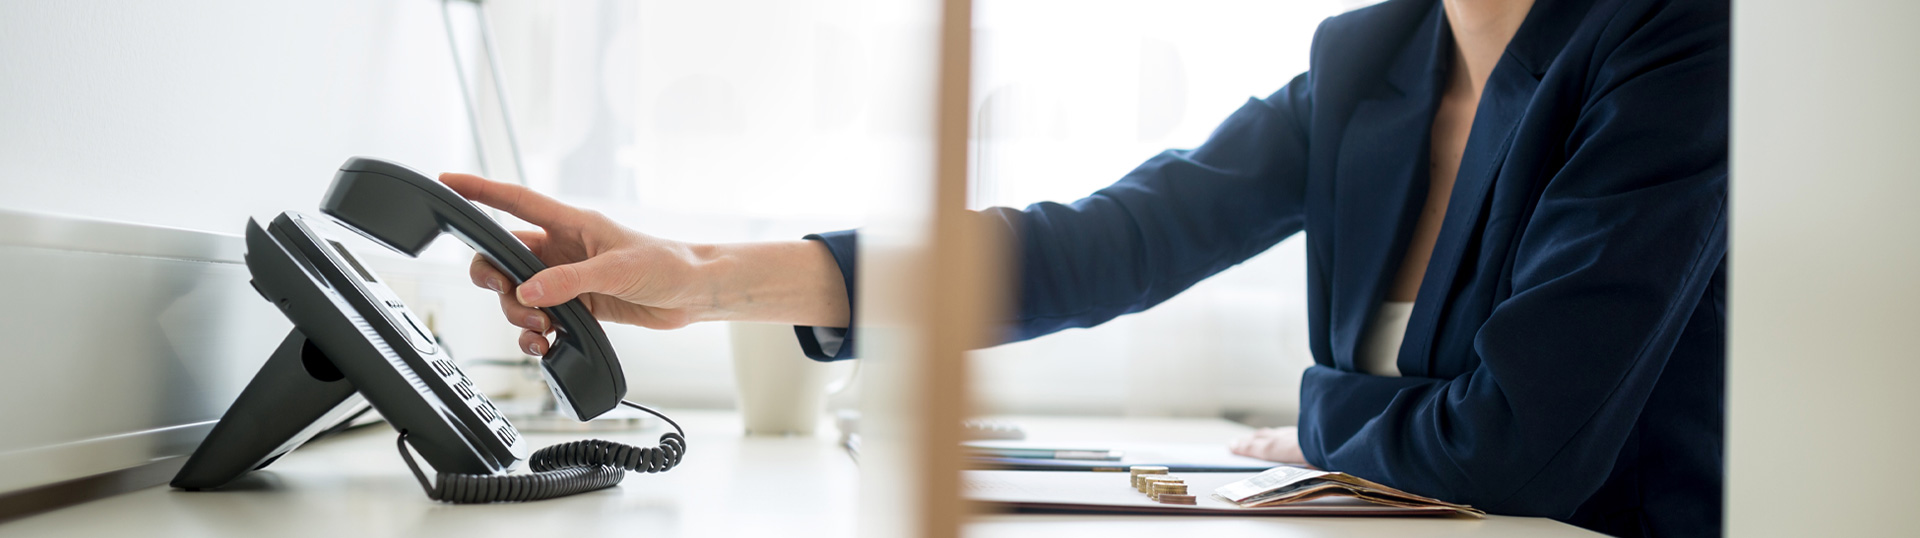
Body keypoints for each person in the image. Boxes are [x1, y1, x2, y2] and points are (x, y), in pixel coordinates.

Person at [447, 0, 1727, 535]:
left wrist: (1320, 419)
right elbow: (1094, 242)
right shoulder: (1371, 61)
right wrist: (704, 275)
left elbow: (1521, 443)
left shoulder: (1675, 43)